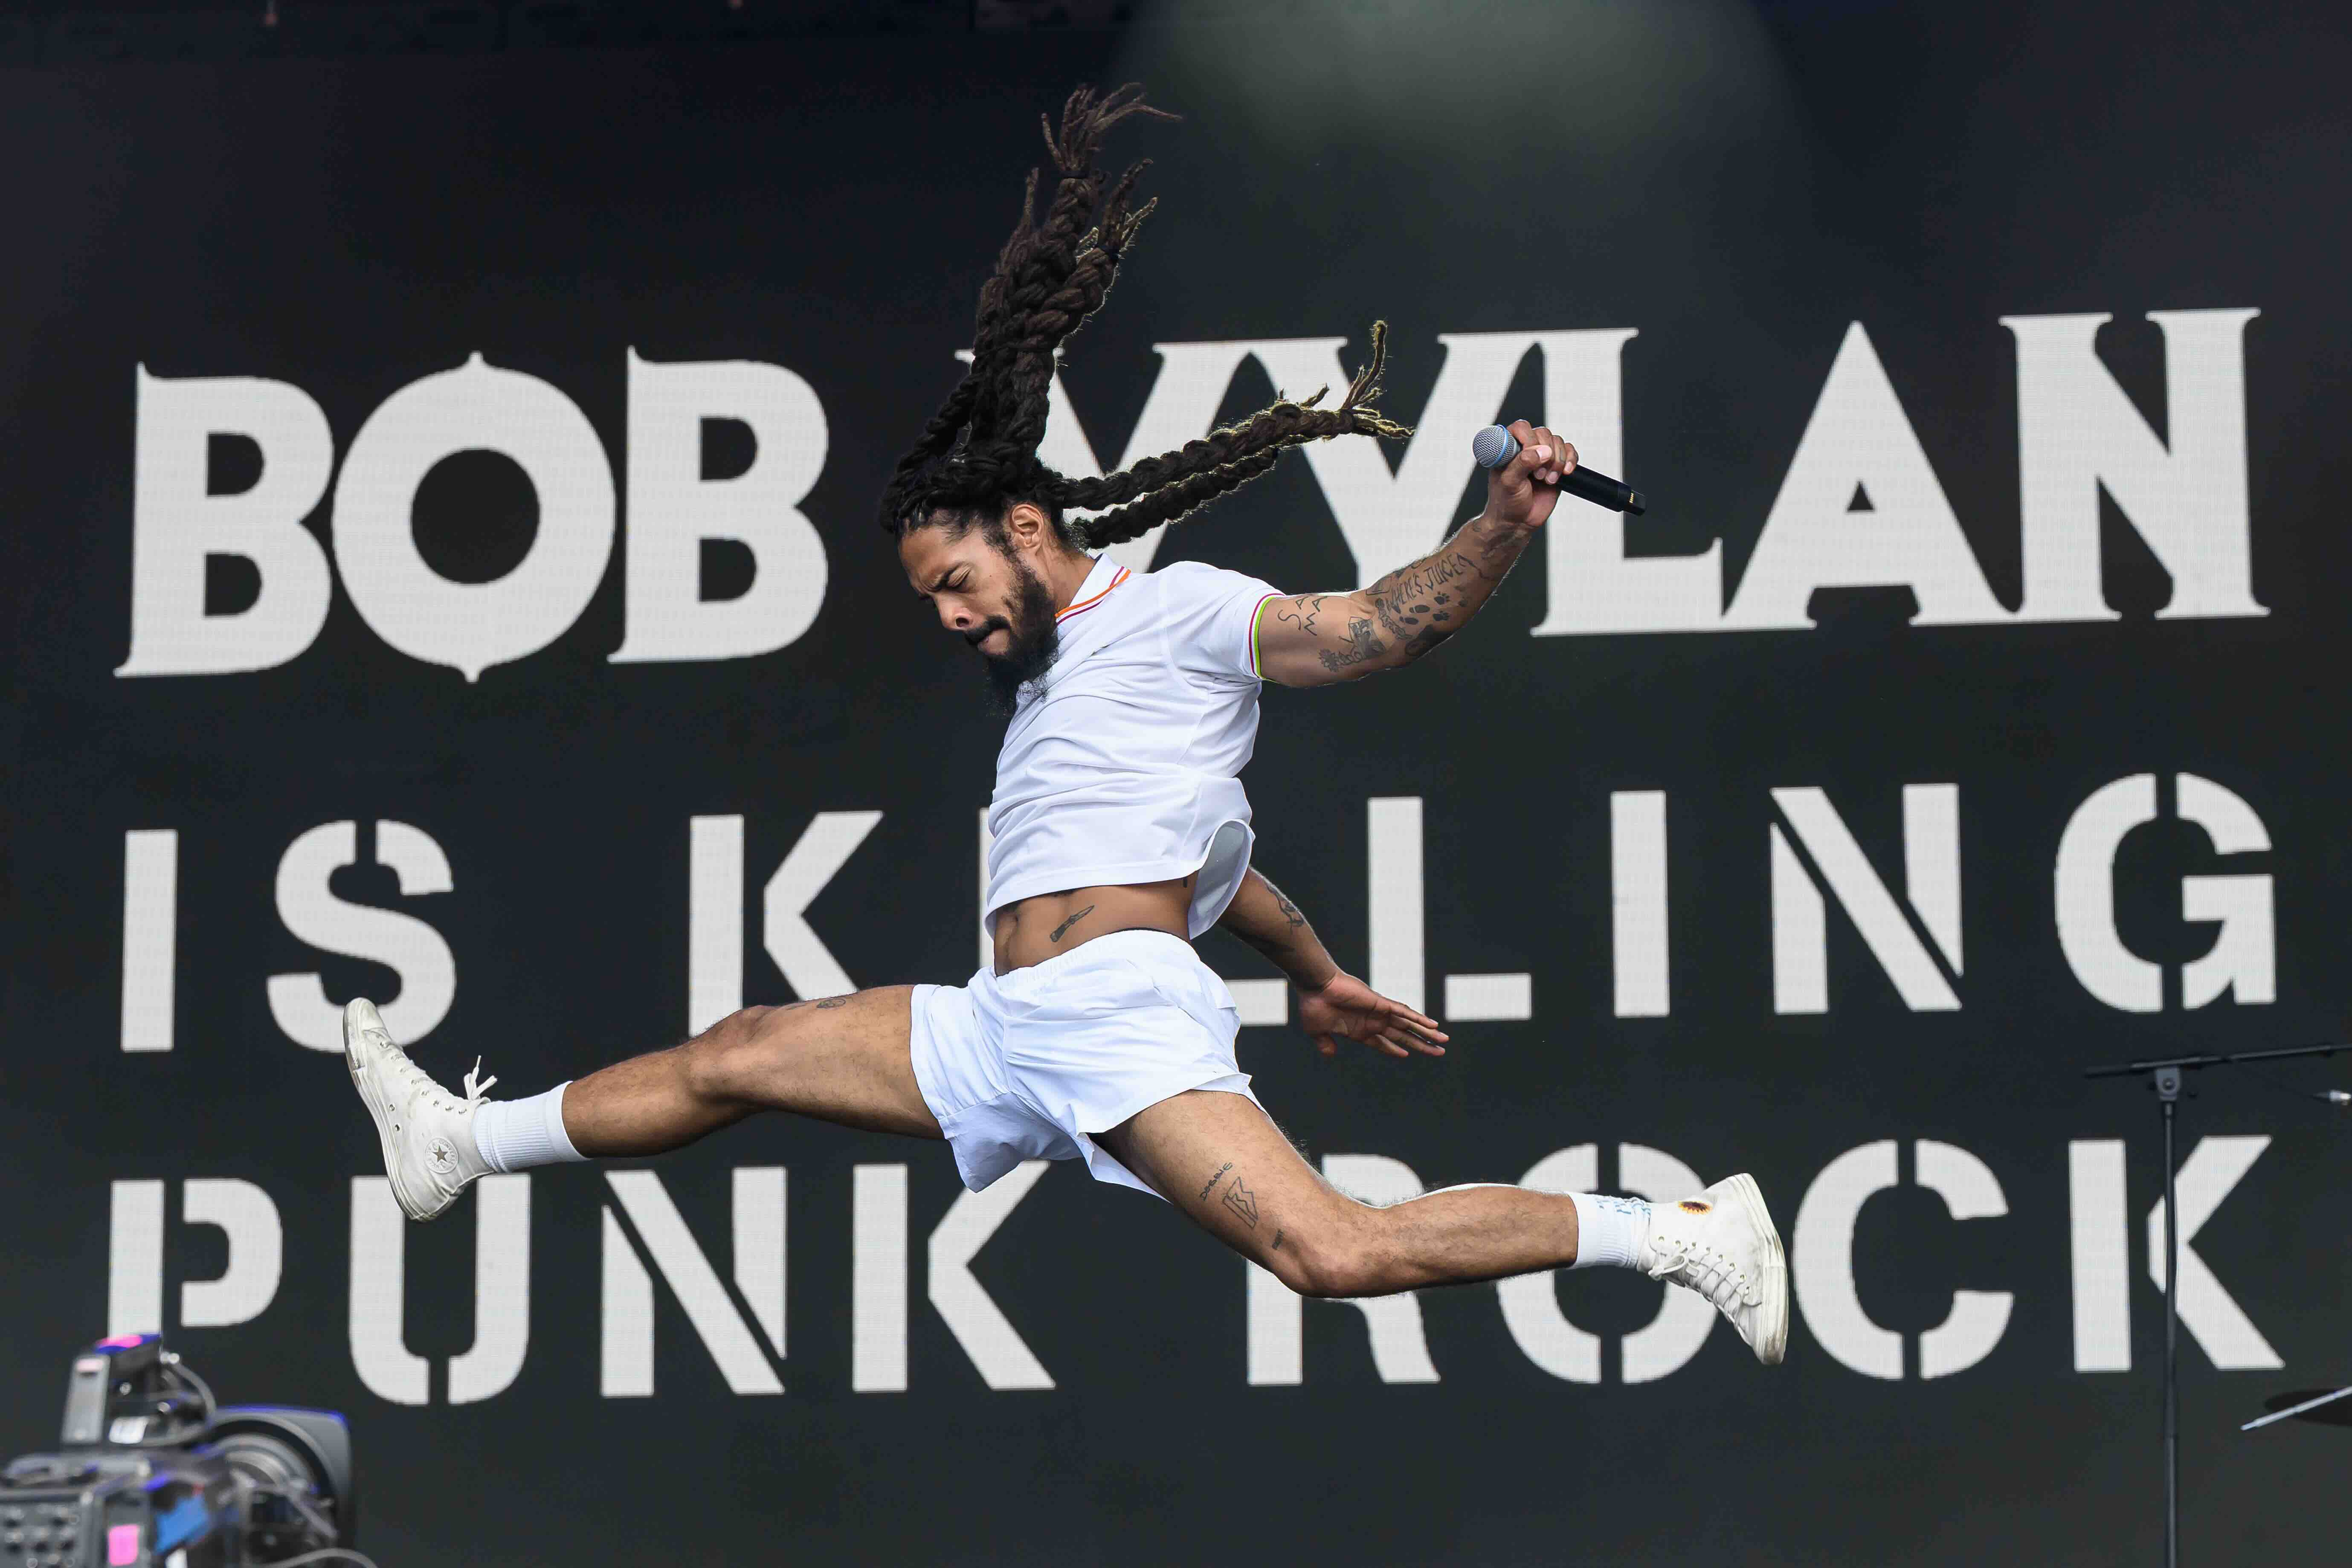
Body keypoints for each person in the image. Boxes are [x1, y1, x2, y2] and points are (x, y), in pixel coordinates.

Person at [342, 84, 1786, 1365]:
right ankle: (457, 1142)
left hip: (1107, 1020)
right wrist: (1325, 973)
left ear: (1029, 529)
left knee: (1334, 1253)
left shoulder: (1174, 613)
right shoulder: (1054, 699)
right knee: (743, 1048)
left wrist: (1500, 523)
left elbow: (1378, 629)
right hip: (1005, 1024)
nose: (954, 616)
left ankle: (1681, 1230)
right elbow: (1223, 874)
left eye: (961, 581)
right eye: (931, 603)